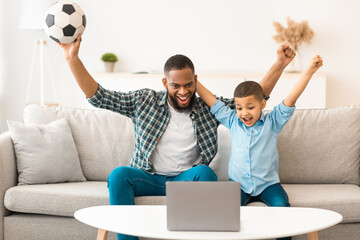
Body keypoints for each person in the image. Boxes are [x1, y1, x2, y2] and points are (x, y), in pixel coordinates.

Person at [59, 34, 295, 240]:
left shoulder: (206, 108)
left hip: (187, 179)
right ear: (165, 83)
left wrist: (279, 65)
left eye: (188, 85)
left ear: (195, 81)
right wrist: (72, 59)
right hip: (149, 178)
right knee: (119, 175)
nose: (183, 92)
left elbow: (250, 99)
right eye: (176, 86)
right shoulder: (144, 101)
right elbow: (100, 97)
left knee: (206, 172)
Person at [196, 55, 323, 240]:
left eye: (250, 107)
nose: (244, 113)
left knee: (283, 210)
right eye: (239, 108)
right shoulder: (232, 121)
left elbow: (291, 97)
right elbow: (213, 101)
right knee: (223, 215)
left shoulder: (273, 122)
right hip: (237, 186)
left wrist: (310, 70)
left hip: (268, 185)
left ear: (262, 104)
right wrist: (195, 82)